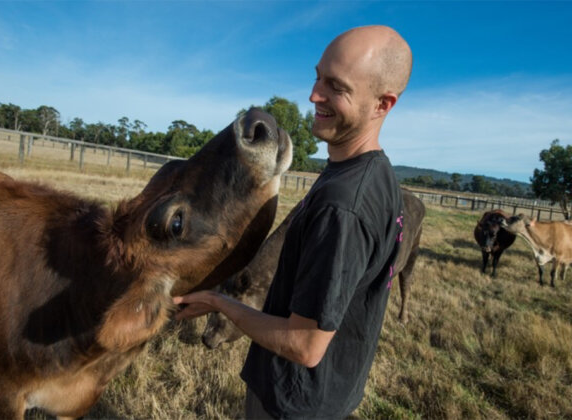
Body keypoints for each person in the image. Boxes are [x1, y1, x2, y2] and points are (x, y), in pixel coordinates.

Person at [174, 25, 413, 419]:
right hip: (329, 391)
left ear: (382, 104)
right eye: (317, 76)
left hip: (292, 404)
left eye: (336, 87)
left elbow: (305, 345)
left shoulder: (344, 207)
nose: (314, 95)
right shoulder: (374, 174)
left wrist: (220, 302)